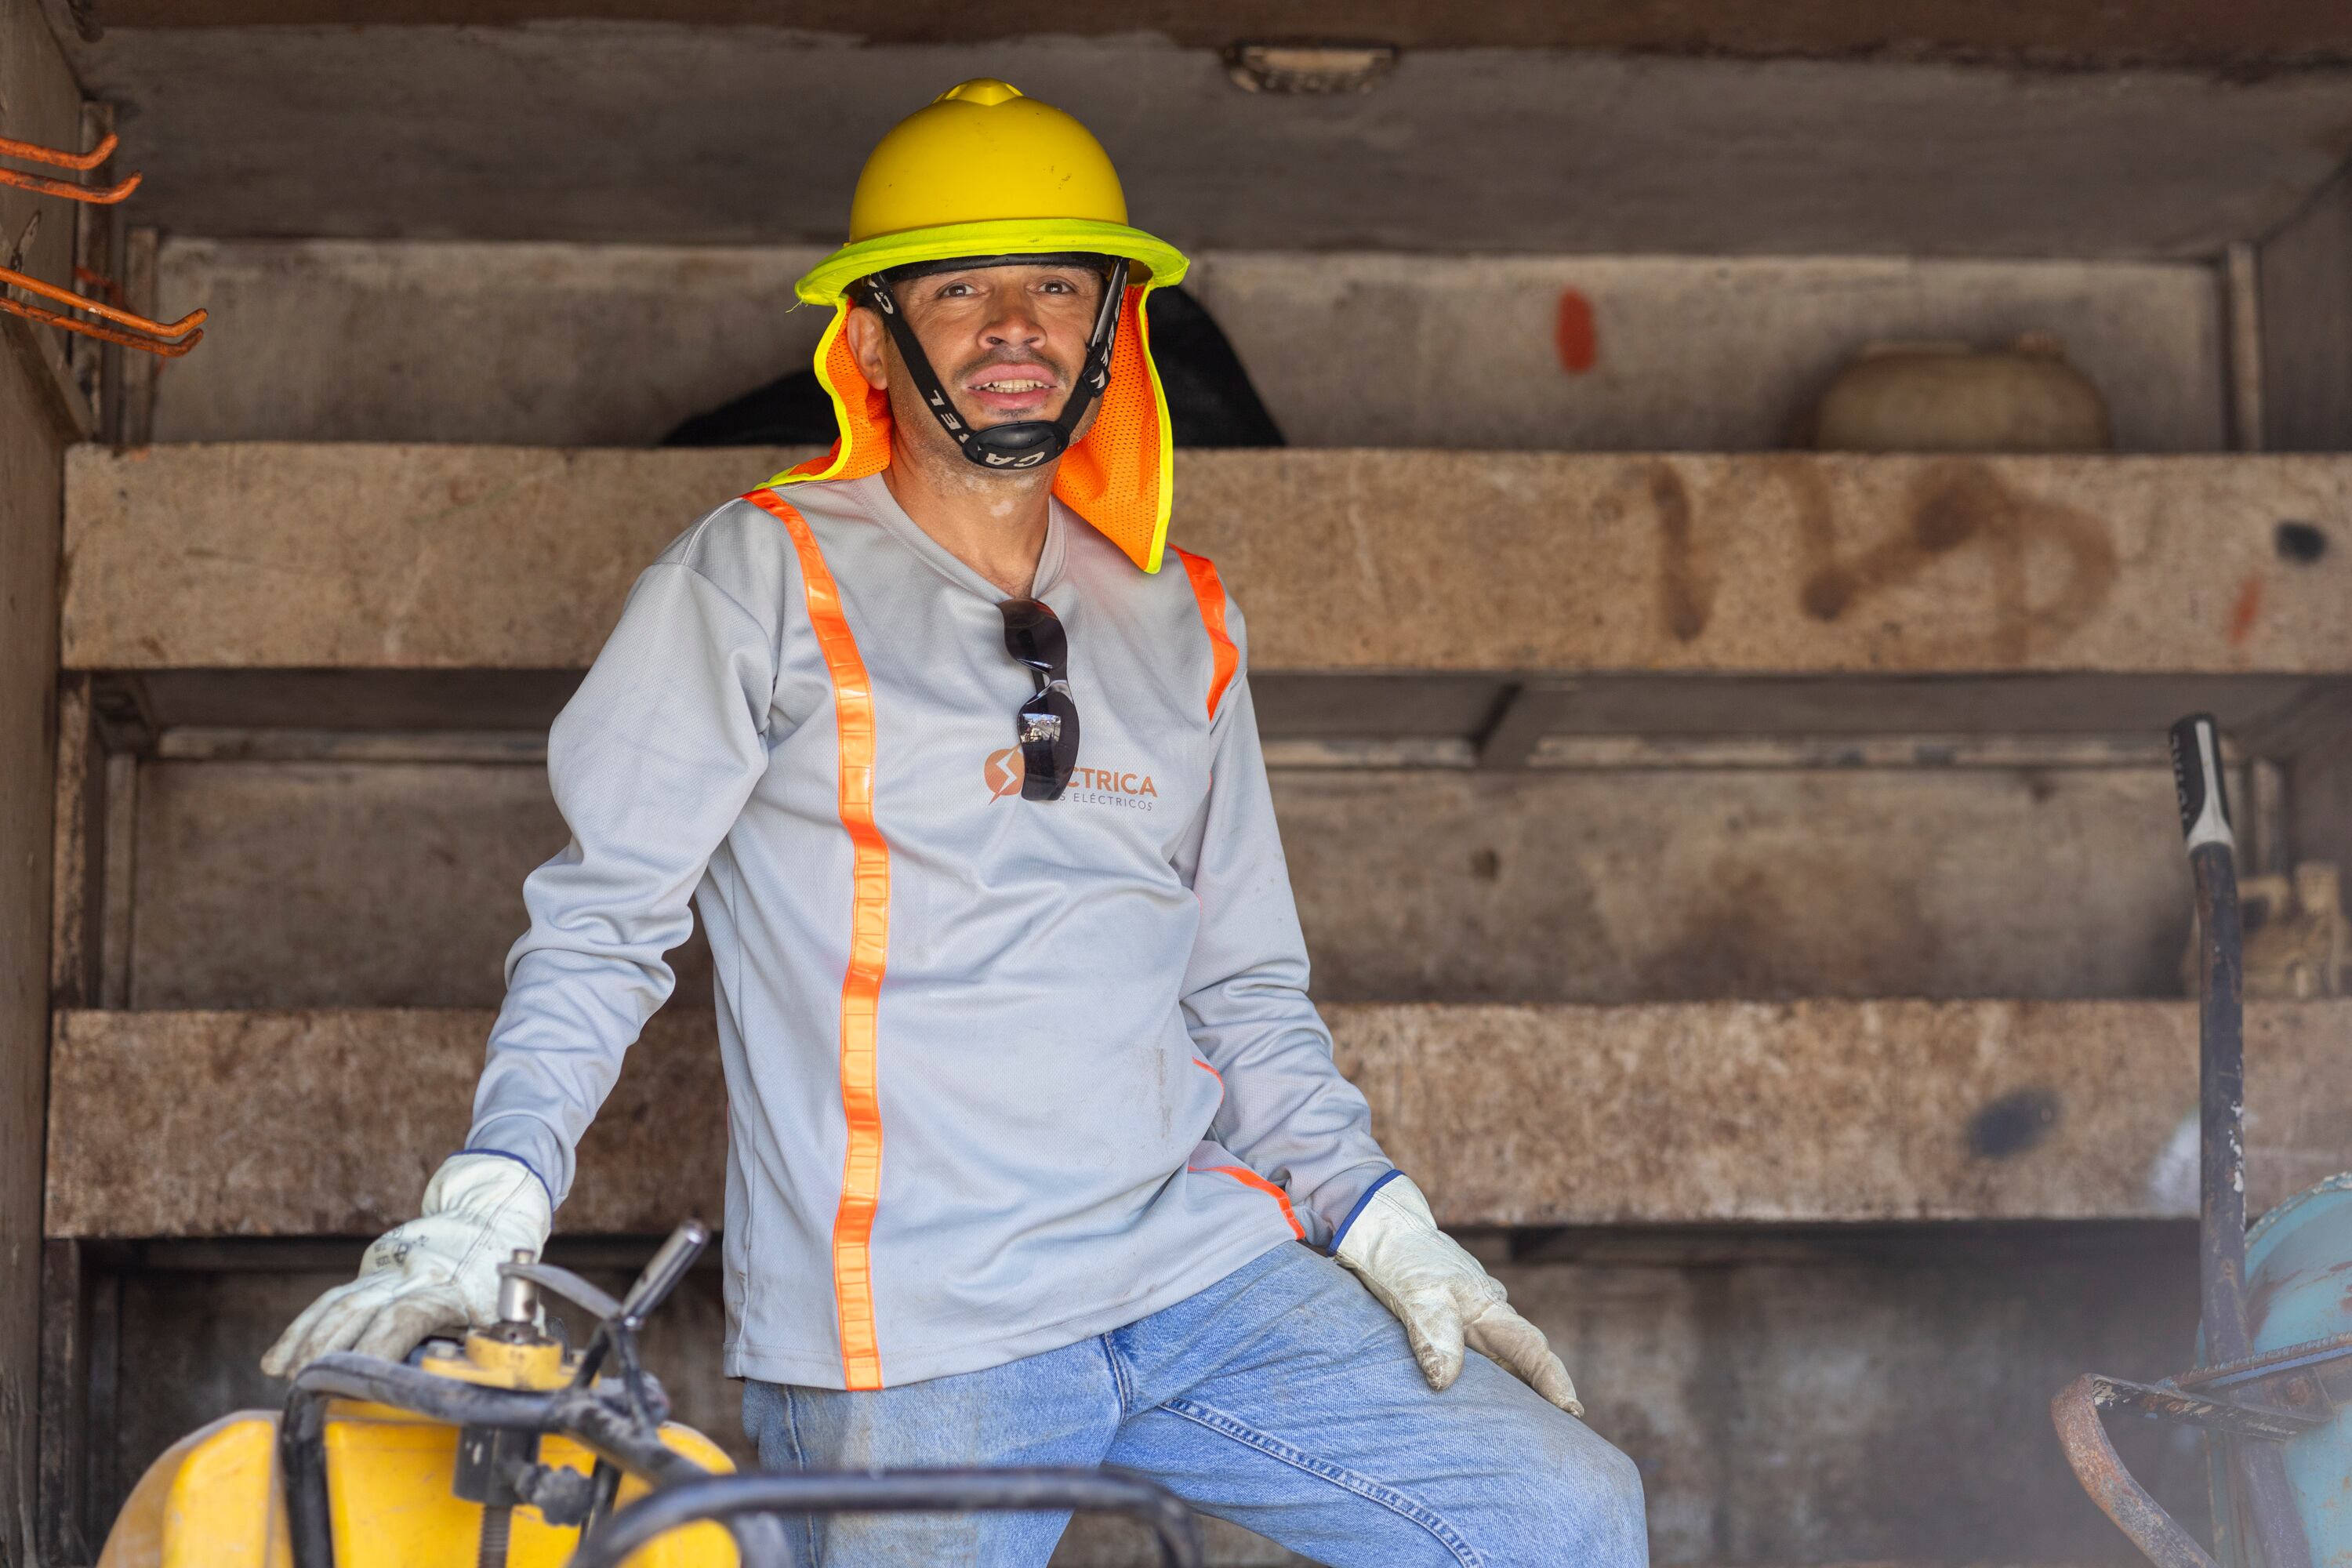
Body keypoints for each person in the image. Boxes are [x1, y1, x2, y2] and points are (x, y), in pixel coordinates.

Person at [262, 78, 1648, 1568]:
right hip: (914, 1325)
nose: (1014, 326)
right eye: (960, 287)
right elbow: (605, 925)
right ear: (871, 335)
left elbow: (1242, 987)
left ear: (1113, 327)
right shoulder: (756, 576)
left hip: (1200, 1275)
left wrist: (1378, 1218)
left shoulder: (1182, 613)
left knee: (1560, 1514)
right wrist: (493, 1203)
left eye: (1057, 284)